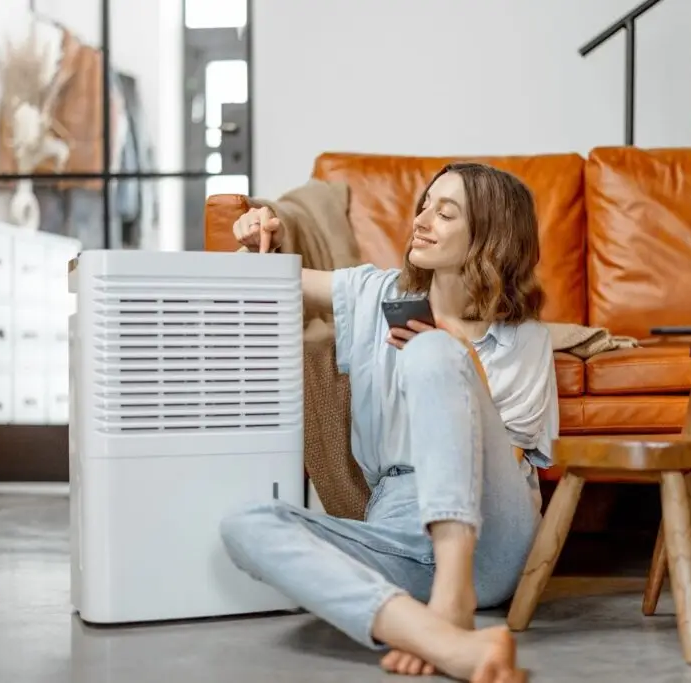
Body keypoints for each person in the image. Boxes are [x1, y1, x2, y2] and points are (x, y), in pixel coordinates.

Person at [220, 162, 558, 682]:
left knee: (432, 353)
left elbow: (507, 459)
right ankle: (440, 640)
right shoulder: (373, 294)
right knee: (246, 525)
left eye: (446, 214)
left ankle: (451, 595)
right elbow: (261, 283)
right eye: (425, 205)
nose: (422, 220)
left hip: (490, 535)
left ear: (492, 236)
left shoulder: (526, 339)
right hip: (396, 530)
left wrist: (454, 350)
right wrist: (267, 231)